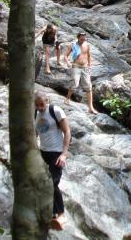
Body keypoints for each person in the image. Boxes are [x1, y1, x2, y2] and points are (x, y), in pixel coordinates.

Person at [34, 91, 71, 230]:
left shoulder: (55, 110)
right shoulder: (36, 114)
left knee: (52, 183)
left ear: (47, 101)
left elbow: (67, 131)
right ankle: (51, 213)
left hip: (56, 153)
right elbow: (36, 133)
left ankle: (61, 214)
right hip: (43, 152)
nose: (40, 108)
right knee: (43, 183)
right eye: (37, 105)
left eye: (42, 105)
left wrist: (64, 154)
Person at [64, 32, 98, 113]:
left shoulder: (87, 45)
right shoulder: (73, 45)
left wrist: (90, 65)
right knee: (74, 83)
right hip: (76, 66)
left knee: (89, 87)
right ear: (78, 38)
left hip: (85, 67)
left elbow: (89, 56)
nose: (83, 40)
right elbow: (65, 55)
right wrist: (68, 62)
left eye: (84, 39)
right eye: (81, 39)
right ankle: (68, 98)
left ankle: (91, 107)